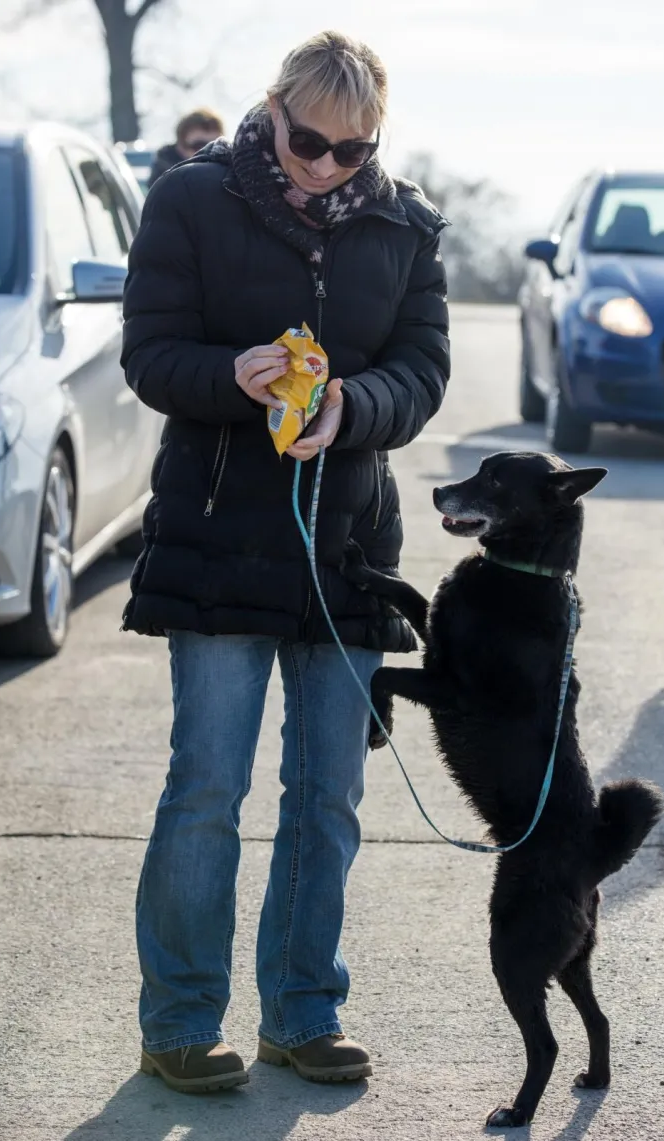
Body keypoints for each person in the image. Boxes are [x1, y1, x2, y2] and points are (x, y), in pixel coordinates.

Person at [121, 29, 450, 1095]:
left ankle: (303, 1013)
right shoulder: (191, 199)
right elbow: (149, 355)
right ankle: (180, 1023)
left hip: (346, 544)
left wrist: (354, 406)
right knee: (206, 788)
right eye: (308, 142)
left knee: (327, 797)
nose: (324, 167)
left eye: (351, 151)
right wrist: (236, 374)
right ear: (271, 112)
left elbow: (422, 370)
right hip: (218, 537)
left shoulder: (407, 224)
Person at [147, 107, 225, 188]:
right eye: (200, 146)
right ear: (181, 147)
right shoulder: (164, 179)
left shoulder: (227, 175)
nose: (209, 153)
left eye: (217, 146)